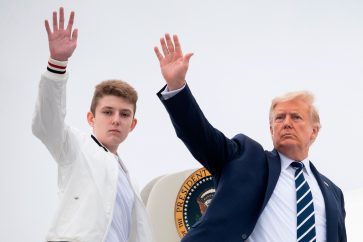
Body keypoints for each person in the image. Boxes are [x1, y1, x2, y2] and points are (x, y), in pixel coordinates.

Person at [154, 33, 347, 242]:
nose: (287, 123)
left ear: (314, 131)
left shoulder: (333, 193)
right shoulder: (245, 158)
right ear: (271, 129)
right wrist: (177, 87)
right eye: (280, 118)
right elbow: (200, 135)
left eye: (296, 117)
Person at [32, 7, 154, 242]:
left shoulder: (130, 181)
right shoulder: (76, 148)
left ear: (133, 124)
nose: (116, 119)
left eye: (124, 114)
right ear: (91, 118)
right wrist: (57, 62)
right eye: (108, 112)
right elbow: (46, 123)